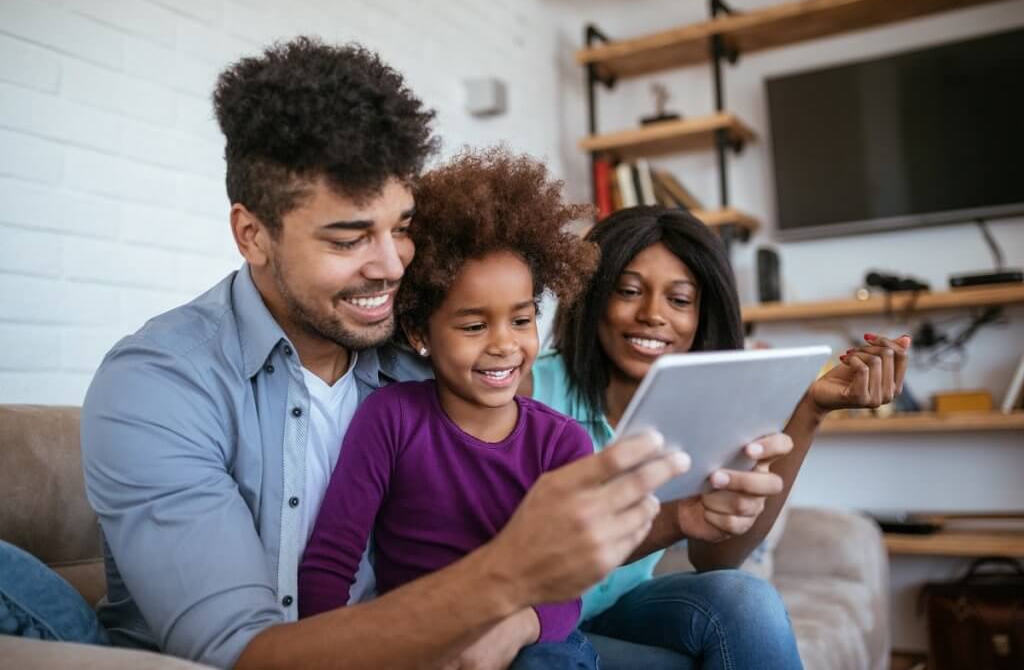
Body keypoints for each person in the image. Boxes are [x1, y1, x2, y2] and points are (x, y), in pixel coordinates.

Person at [67, 38, 691, 670]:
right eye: (349, 239)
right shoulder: (160, 384)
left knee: (726, 612)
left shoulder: (420, 367)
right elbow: (241, 656)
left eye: (400, 228)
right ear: (252, 235)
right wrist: (504, 577)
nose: (393, 266)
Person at [520, 205, 911, 669]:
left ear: (703, 314)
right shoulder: (528, 390)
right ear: (592, 295)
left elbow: (717, 556)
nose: (652, 315)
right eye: (628, 291)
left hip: (615, 610)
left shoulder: (703, 402)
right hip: (532, 621)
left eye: (680, 300)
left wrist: (811, 409)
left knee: (747, 602)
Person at [299, 148, 605, 669]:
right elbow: (330, 562)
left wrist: (513, 630)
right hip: (418, 642)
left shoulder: (562, 442)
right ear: (420, 333)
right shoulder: (390, 419)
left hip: (532, 642)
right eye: (473, 326)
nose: (505, 345)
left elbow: (566, 591)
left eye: (522, 320)